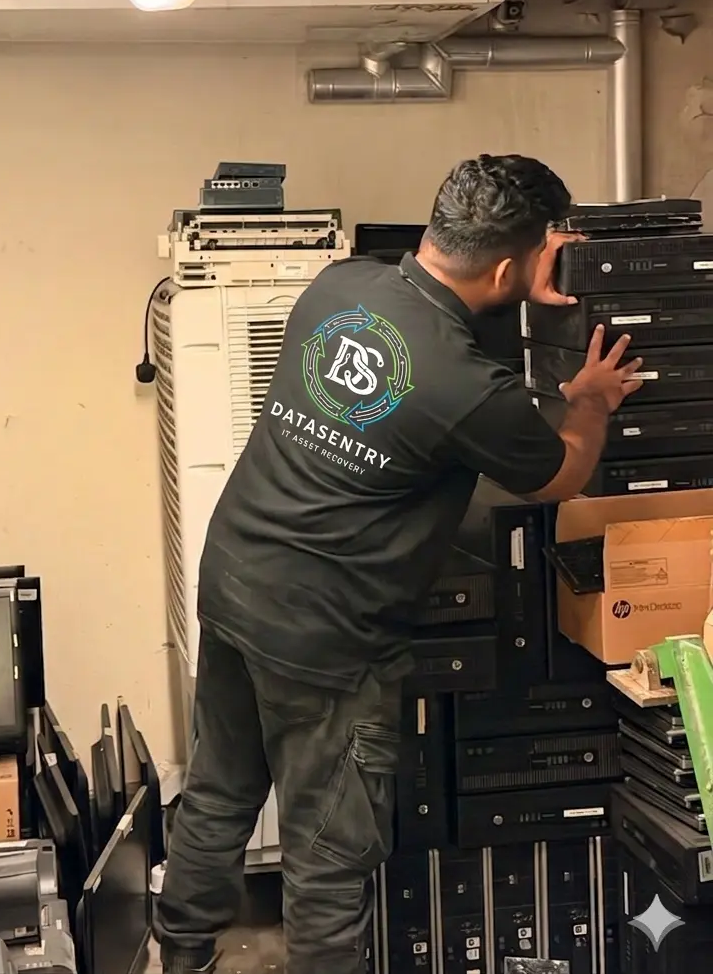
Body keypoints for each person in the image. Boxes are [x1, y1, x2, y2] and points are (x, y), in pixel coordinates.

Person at [156, 155, 643, 974]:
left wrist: (520, 281)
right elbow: (559, 471)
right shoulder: (468, 389)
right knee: (328, 852)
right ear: (505, 265)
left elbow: (433, 338)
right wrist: (589, 397)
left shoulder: (338, 285)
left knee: (219, 790)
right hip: (326, 637)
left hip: (237, 579)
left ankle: (180, 956)